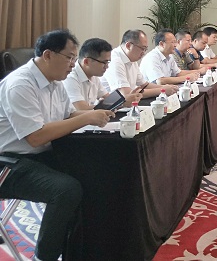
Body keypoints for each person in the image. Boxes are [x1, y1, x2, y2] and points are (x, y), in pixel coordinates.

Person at [0, 29, 114, 261]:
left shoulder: (55, 82)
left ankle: (81, 249)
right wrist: (86, 118)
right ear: (48, 55)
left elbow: (67, 115)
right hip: (10, 162)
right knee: (66, 190)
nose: (73, 64)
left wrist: (95, 113)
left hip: (41, 155)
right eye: (69, 57)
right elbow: (36, 137)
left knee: (94, 173)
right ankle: (45, 256)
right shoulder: (20, 85)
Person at [63, 38, 142, 110]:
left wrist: (126, 99)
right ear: (87, 62)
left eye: (108, 62)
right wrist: (122, 103)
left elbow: (108, 99)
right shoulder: (70, 78)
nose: (107, 66)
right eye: (104, 62)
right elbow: (82, 109)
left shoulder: (94, 76)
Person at [102, 29, 176, 98]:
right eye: (142, 48)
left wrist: (167, 87)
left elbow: (144, 85)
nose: (144, 53)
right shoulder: (115, 60)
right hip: (114, 105)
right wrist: (162, 90)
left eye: (145, 49)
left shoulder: (132, 59)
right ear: (128, 46)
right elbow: (126, 94)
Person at [140, 29, 205, 84]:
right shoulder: (152, 58)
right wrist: (186, 78)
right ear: (162, 44)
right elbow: (160, 81)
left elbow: (178, 73)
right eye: (173, 42)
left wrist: (196, 73)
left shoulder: (169, 56)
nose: (175, 45)